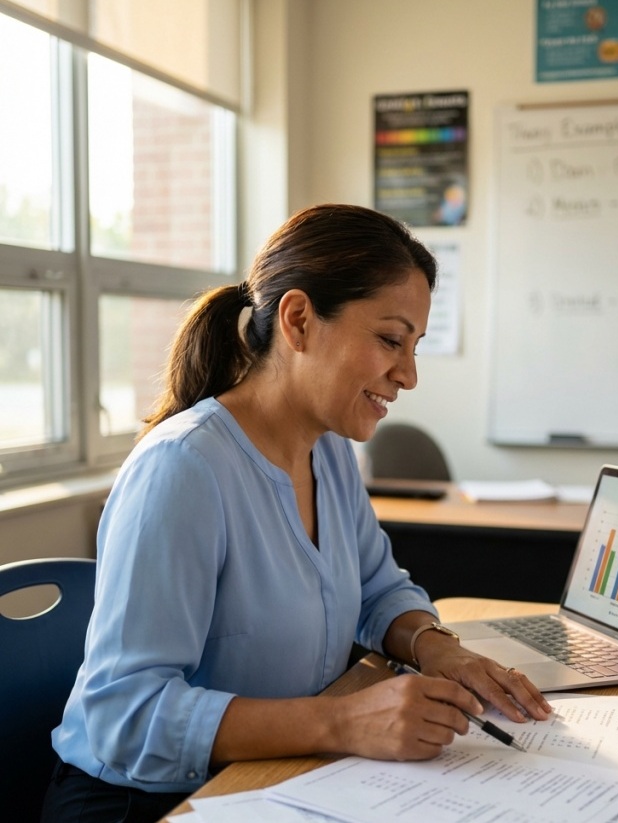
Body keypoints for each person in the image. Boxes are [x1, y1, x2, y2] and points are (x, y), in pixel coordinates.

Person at [41, 204, 551, 823]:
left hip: (271, 777)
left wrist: (434, 646)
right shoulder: (183, 468)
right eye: (391, 340)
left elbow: (378, 589)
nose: (409, 375)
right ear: (299, 320)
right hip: (143, 803)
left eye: (414, 346)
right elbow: (125, 714)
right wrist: (341, 722)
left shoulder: (328, 450)